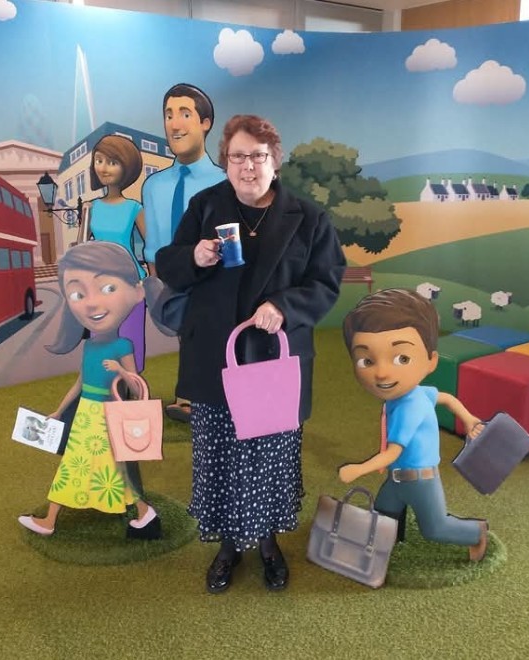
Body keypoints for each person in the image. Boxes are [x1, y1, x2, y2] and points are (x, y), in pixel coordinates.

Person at [155, 114, 346, 593]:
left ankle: (267, 544)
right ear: (226, 161)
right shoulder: (205, 205)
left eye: (257, 156)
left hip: (273, 362)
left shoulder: (309, 217)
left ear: (274, 161)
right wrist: (194, 257)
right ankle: (227, 548)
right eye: (237, 156)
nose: (247, 166)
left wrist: (284, 306)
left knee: (269, 458)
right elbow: (169, 263)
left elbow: (326, 282)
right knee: (220, 456)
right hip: (214, 359)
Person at [18, 241, 161, 541]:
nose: (92, 304)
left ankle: (143, 511)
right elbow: (80, 383)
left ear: (136, 293)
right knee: (78, 464)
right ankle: (52, 520)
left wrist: (120, 370)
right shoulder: (90, 346)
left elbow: (135, 383)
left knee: (111, 466)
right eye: (78, 295)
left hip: (109, 415)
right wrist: (59, 410)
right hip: (86, 415)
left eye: (107, 289)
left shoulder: (123, 345)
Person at [338, 288, 489, 561]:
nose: (382, 372)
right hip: (397, 478)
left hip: (419, 480)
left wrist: (358, 469)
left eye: (402, 358)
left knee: (435, 528)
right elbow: (446, 398)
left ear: (431, 361)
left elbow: (392, 453)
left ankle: (475, 532)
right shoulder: (415, 394)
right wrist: (468, 418)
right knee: (384, 513)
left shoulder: (409, 408)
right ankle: (387, 544)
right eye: (367, 360)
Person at [142, 83, 225, 423]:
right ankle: (189, 397)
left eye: (185, 114)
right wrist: (156, 285)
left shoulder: (226, 183)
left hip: (214, 282)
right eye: (168, 115)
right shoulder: (153, 186)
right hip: (169, 281)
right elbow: (153, 243)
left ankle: (205, 400)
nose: (174, 124)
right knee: (185, 336)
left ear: (205, 123)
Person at [86, 134, 147, 372]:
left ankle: (134, 388)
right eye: (99, 160)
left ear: (126, 167)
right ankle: (105, 388)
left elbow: (151, 247)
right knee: (102, 345)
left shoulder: (134, 208)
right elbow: (81, 247)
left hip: (129, 283)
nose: (103, 168)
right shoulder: (90, 208)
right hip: (98, 285)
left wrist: (153, 281)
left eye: (112, 162)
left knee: (130, 342)